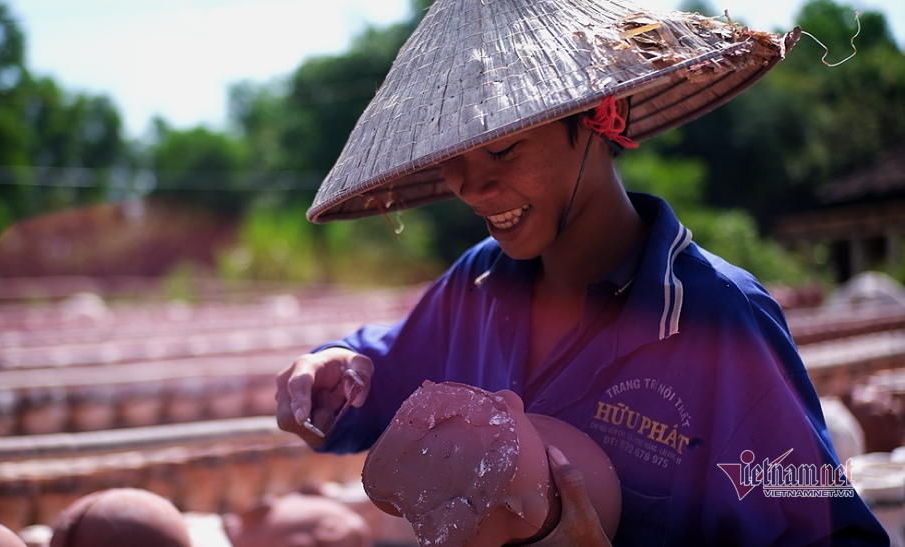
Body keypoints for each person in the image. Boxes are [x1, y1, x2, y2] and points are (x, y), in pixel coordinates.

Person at [275, 0, 890, 545]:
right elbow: (384, 376)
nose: (471, 185)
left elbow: (837, 538)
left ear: (602, 116)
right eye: (451, 157)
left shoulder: (719, 321)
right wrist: (331, 372)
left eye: (502, 147)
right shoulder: (477, 288)